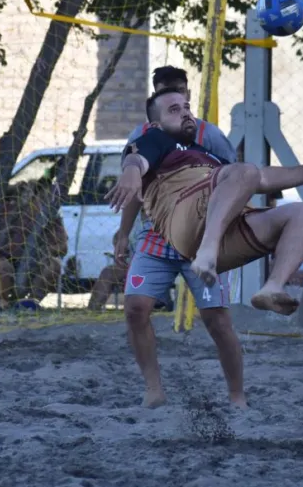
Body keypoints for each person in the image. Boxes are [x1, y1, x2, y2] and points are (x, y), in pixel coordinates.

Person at [106, 87, 303, 316]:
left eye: (187, 107)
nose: (186, 113)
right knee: (245, 170)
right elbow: (136, 157)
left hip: (219, 235)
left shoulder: (208, 155)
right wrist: (131, 172)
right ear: (156, 124)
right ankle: (207, 251)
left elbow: (263, 177)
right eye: (174, 110)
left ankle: (272, 287)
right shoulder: (155, 139)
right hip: (185, 221)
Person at [112, 65, 244, 408]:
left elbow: (237, 183)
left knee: (217, 320)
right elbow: (136, 183)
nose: (177, 101)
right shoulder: (143, 135)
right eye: (165, 92)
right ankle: (153, 390)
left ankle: (237, 396)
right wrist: (123, 233)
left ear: (188, 95)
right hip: (157, 234)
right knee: (135, 309)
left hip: (201, 238)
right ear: (155, 98)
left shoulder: (209, 135)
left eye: (181, 94)